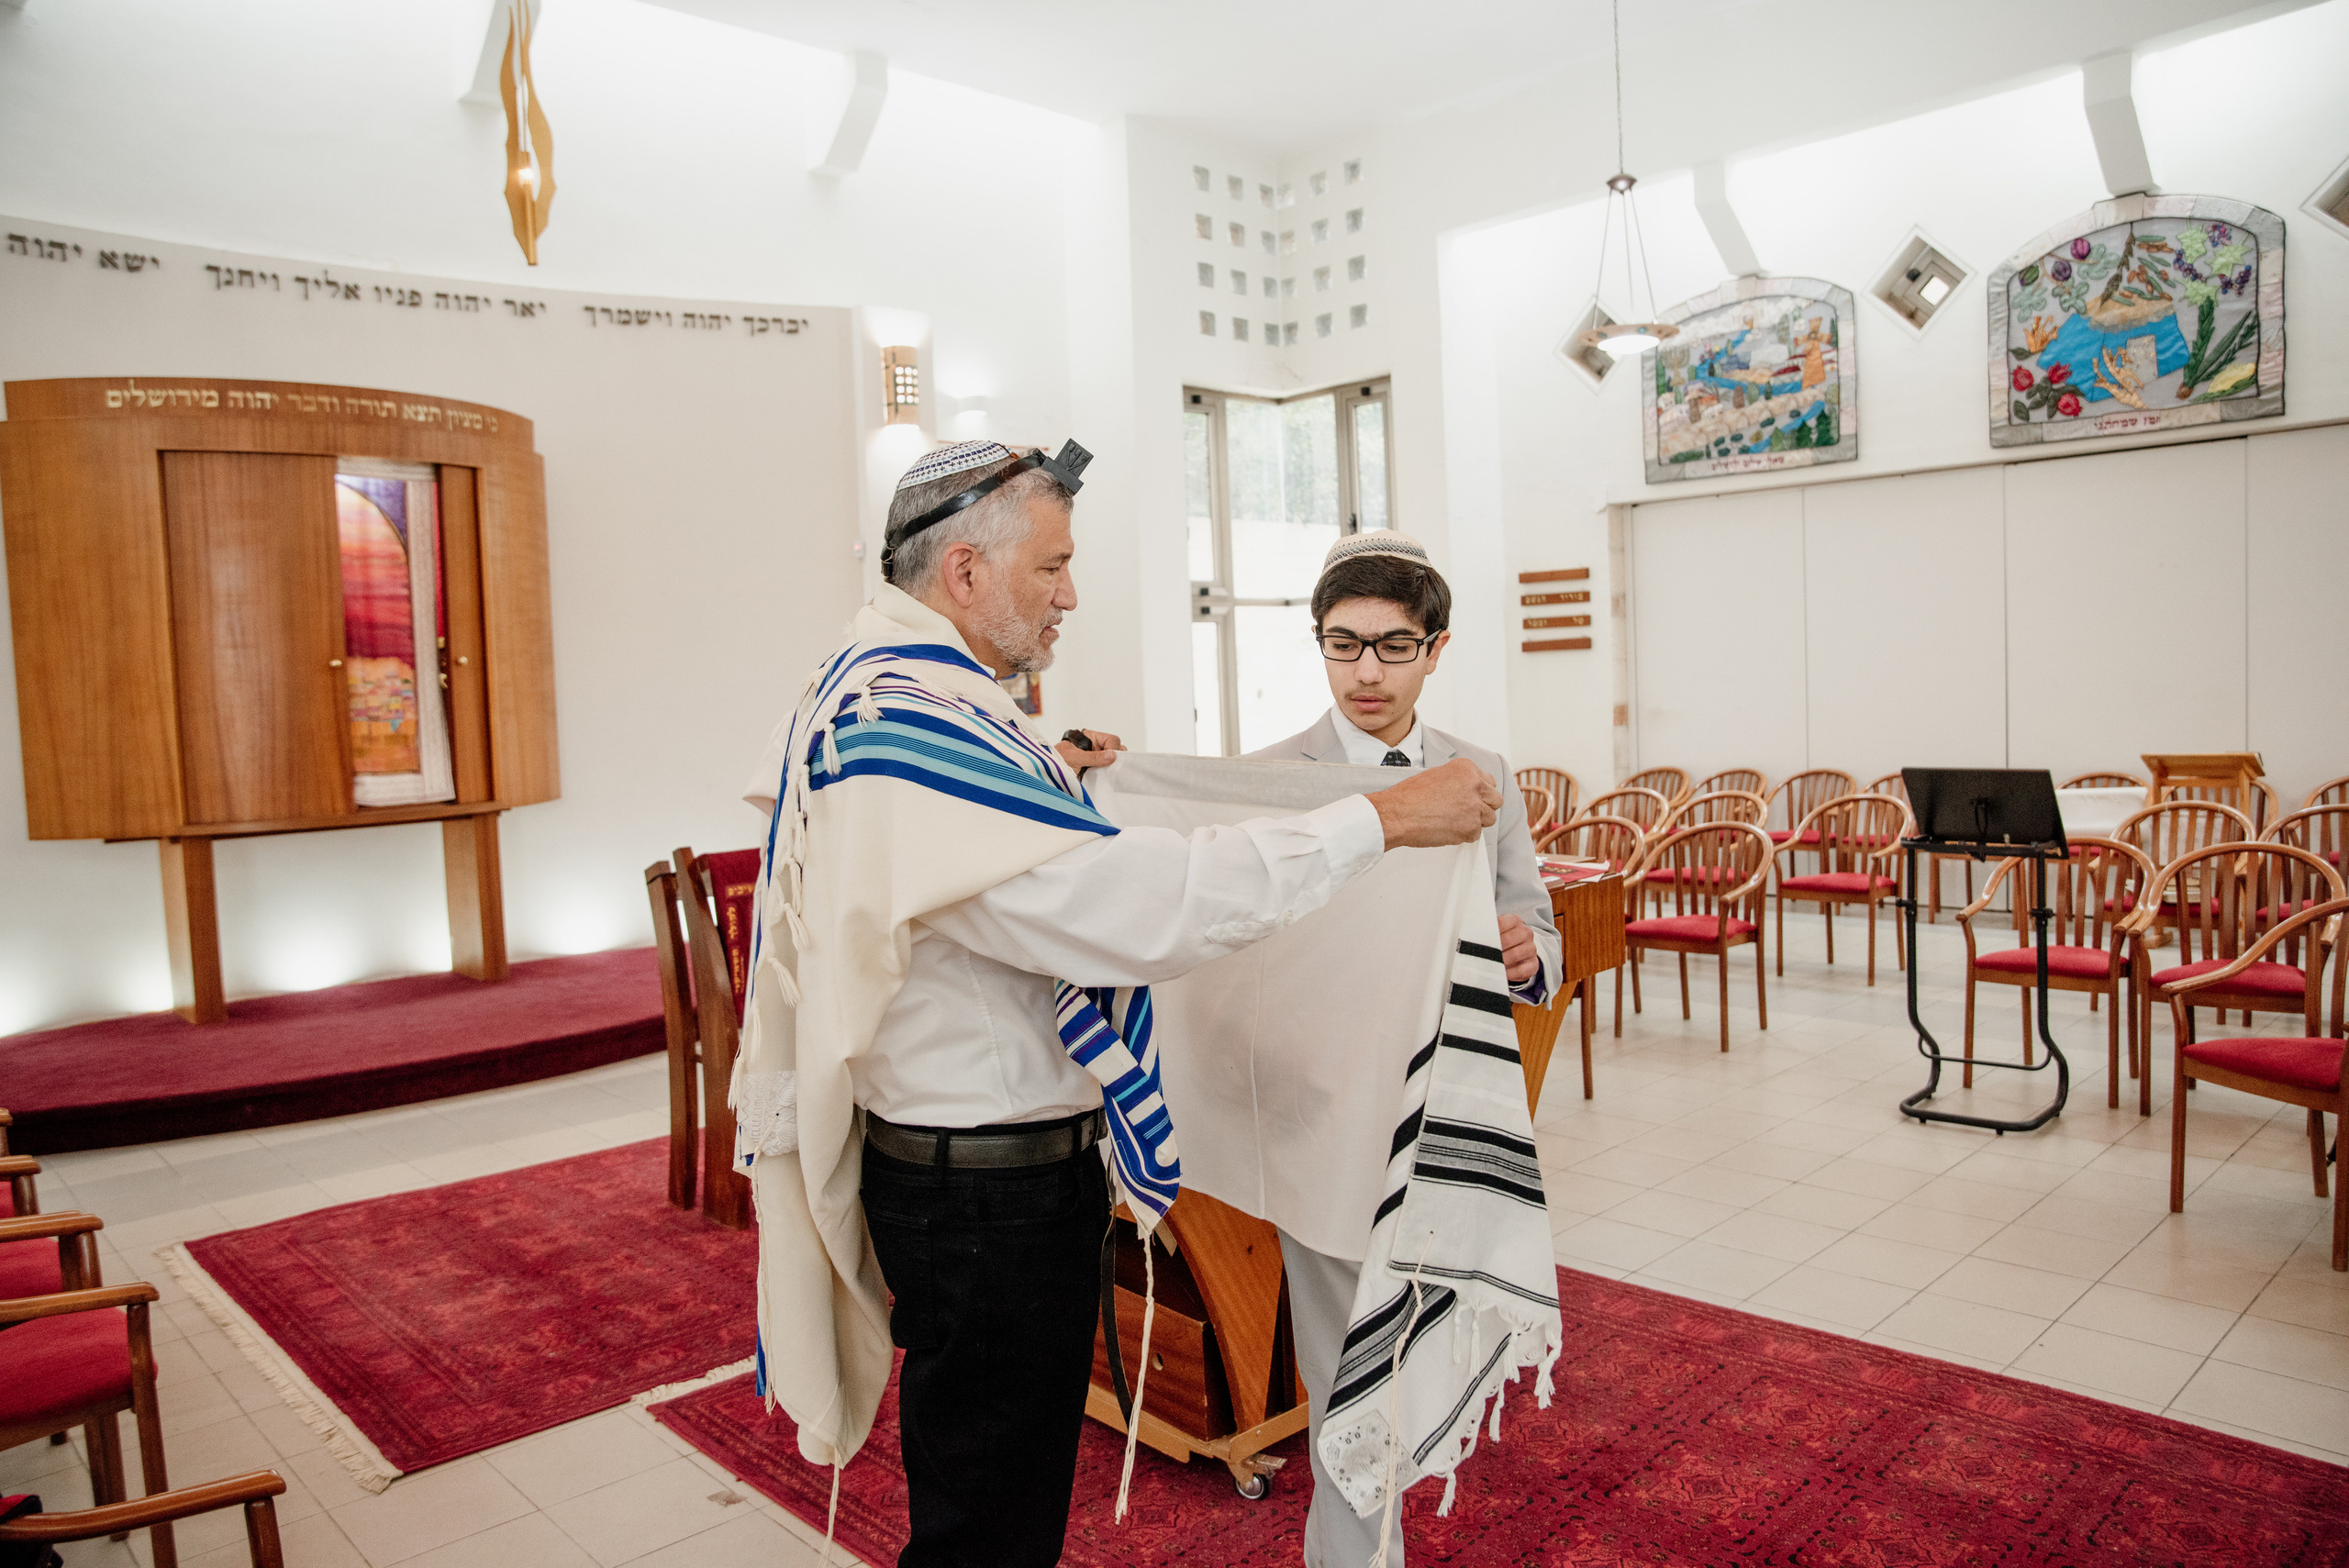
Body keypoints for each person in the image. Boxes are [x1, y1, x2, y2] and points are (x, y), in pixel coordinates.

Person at [734, 442, 1503, 1568]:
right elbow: (1124, 908)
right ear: (963, 571)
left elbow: (975, 849)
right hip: (983, 1189)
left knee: (993, 1488)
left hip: (971, 1170)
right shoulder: (912, 715)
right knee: (988, 1520)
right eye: (1052, 564)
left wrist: (1054, 764)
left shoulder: (886, 684)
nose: (1070, 594)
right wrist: (1373, 821)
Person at [1246, 528, 1561, 1568]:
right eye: (1343, 645)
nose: (1366, 671)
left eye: (1391, 645)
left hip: (1442, 1116)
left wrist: (1524, 953)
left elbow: (1539, 934)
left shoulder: (1483, 775)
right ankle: (1349, 1555)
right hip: (1326, 1113)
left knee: (1420, 1340)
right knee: (1344, 1359)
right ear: (1318, 645)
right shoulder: (1268, 778)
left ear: (1437, 648)